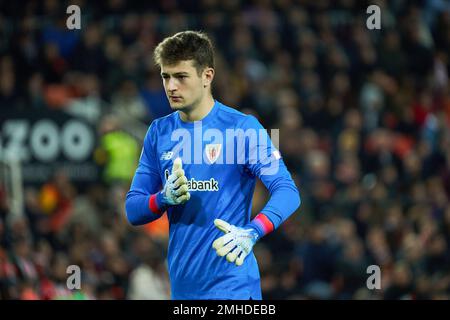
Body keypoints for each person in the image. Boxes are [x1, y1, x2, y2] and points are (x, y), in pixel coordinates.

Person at [125, 31, 301, 300]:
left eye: (181, 77)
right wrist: (163, 198)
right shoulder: (159, 133)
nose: (171, 86)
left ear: (207, 76)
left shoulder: (243, 128)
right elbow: (133, 209)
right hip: (183, 291)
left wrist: (252, 232)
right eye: (166, 77)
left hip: (233, 288)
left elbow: (288, 191)